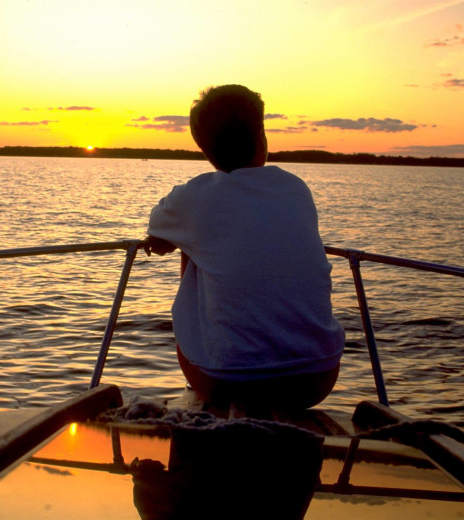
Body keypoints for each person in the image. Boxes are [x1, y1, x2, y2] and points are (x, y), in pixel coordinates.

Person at [146, 84, 344, 411]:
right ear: (262, 137)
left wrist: (171, 237)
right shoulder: (296, 189)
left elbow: (156, 222)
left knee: (191, 243)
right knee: (200, 238)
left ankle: (213, 367)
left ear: (204, 149)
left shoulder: (193, 197)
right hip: (317, 377)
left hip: (227, 382)